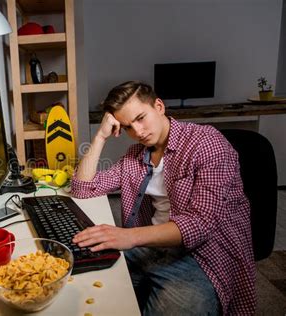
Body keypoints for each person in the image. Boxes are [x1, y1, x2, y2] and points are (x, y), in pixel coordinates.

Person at [71, 81, 256, 315]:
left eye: (140, 118)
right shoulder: (135, 156)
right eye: (127, 126)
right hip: (152, 244)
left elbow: (200, 224)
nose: (137, 132)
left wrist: (128, 236)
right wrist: (100, 137)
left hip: (203, 255)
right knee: (87, 279)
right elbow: (82, 188)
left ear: (159, 106)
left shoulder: (206, 143)